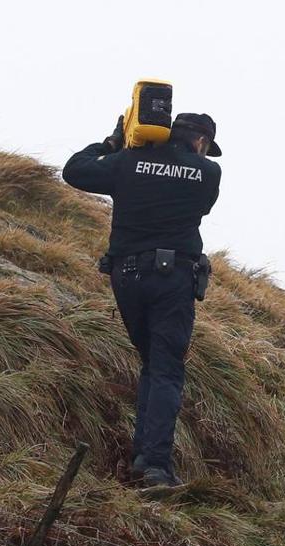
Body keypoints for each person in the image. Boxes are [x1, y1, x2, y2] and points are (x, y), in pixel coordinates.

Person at [62, 112, 222, 487]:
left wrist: (113, 143)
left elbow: (74, 171)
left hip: (127, 277)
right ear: (200, 141)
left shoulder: (129, 162)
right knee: (166, 368)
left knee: (151, 363)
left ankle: (142, 458)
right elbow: (200, 204)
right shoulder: (207, 174)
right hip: (173, 279)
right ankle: (156, 467)